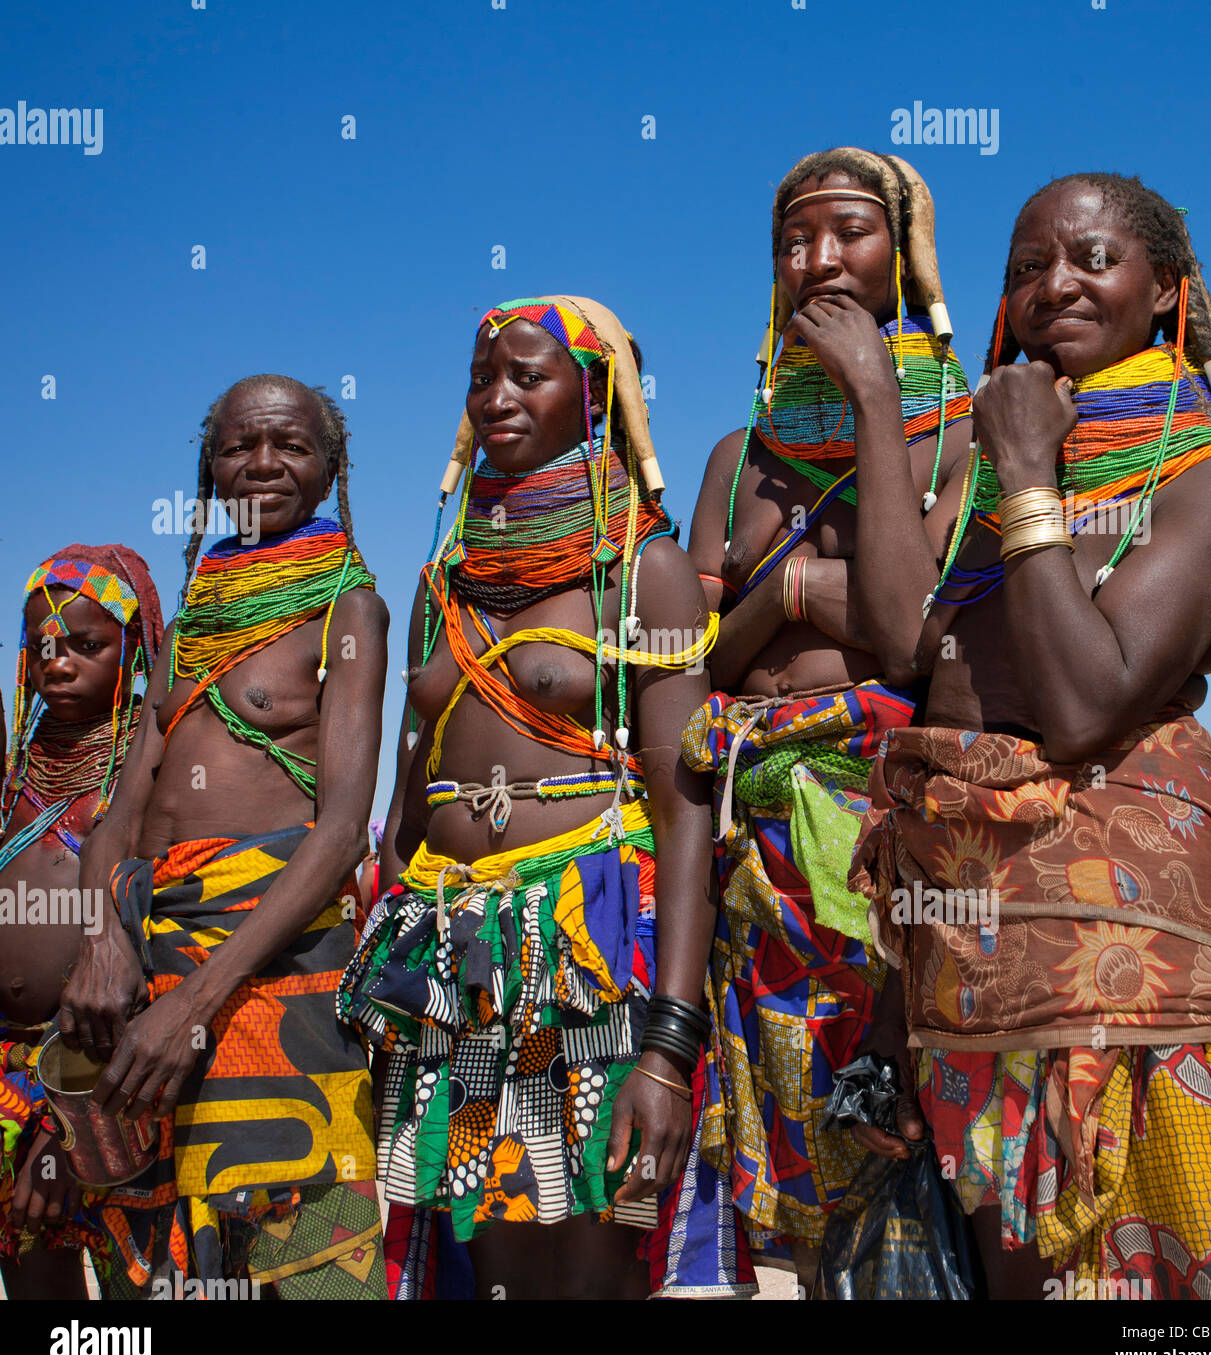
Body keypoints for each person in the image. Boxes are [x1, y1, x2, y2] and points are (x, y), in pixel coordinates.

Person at [850, 173, 1211, 1299]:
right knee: (1010, 1256)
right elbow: (902, 641)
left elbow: (1087, 703)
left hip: (1124, 916)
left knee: (1129, 1262)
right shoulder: (986, 451)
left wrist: (1027, 474)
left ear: (1165, 294)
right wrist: (875, 401)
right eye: (1024, 268)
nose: (1053, 285)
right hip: (966, 916)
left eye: (1092, 260)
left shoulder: (1206, 476)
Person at [341, 296, 722, 1299]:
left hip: (590, 938)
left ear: (592, 394)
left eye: (526, 374)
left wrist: (670, 1044)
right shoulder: (444, 582)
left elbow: (687, 811)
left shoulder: (649, 570)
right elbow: (407, 792)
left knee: (597, 1241)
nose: (496, 395)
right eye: (482, 377)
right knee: (490, 1243)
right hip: (451, 946)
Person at [683, 148, 972, 1286]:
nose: (815, 261)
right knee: (787, 1148)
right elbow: (690, 659)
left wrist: (870, 393)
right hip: (751, 848)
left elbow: (915, 637)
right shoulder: (736, 456)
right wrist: (798, 594)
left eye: (846, 232)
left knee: (901, 1139)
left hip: (889, 843)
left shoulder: (961, 432)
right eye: (792, 243)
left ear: (906, 251)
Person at [60, 375, 390, 1300]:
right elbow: (121, 811)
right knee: (150, 1258)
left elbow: (339, 837)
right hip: (145, 958)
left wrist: (195, 1003)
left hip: (274, 969)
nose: (264, 463)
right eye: (240, 445)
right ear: (209, 466)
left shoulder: (348, 611)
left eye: (290, 445)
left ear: (331, 468)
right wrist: (102, 942)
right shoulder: (196, 614)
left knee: (307, 1257)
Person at [1, 545, 163, 1298]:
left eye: (86, 645)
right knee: (35, 1278)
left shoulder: (148, 780)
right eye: (43, 647)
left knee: (136, 1283)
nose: (58, 662)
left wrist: (63, 1124)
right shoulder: (14, 776)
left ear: (134, 651)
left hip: (101, 1078)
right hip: (8, 1077)